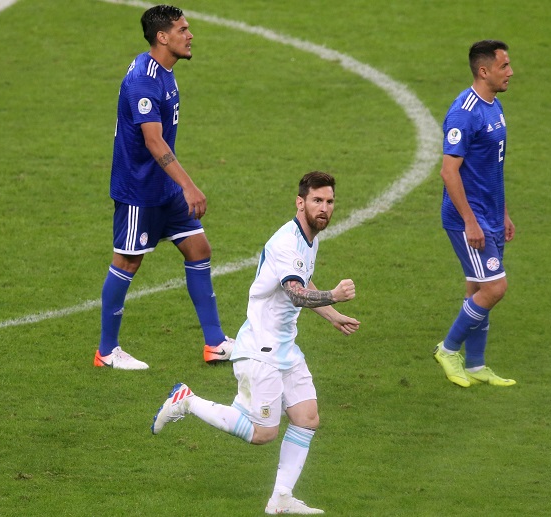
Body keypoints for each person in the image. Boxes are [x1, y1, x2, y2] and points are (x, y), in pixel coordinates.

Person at [151, 171, 360, 514]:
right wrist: (333, 295)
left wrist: (332, 315)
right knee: (263, 434)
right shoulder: (286, 242)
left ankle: (281, 499)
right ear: (300, 202)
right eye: (317, 201)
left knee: (307, 418)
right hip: (261, 351)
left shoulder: (309, 238)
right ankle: (186, 401)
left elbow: (302, 280)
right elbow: (296, 293)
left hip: (285, 348)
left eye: (329, 201)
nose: (324, 208)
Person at [94, 5, 233, 370]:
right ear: (162, 37)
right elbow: (154, 142)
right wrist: (190, 186)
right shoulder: (144, 80)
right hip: (139, 191)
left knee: (199, 249)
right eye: (182, 30)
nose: (190, 35)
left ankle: (215, 344)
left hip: (164, 187)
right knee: (127, 261)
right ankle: (106, 352)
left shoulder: (162, 70)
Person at [433, 40, 517, 388]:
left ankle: (477, 365)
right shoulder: (464, 113)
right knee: (495, 288)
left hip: (491, 215)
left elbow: (492, 167)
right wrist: (470, 221)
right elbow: (448, 172)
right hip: (468, 219)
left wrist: (504, 213)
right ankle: (448, 349)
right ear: (484, 71)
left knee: (478, 287)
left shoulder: (494, 105)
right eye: (503, 66)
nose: (510, 72)